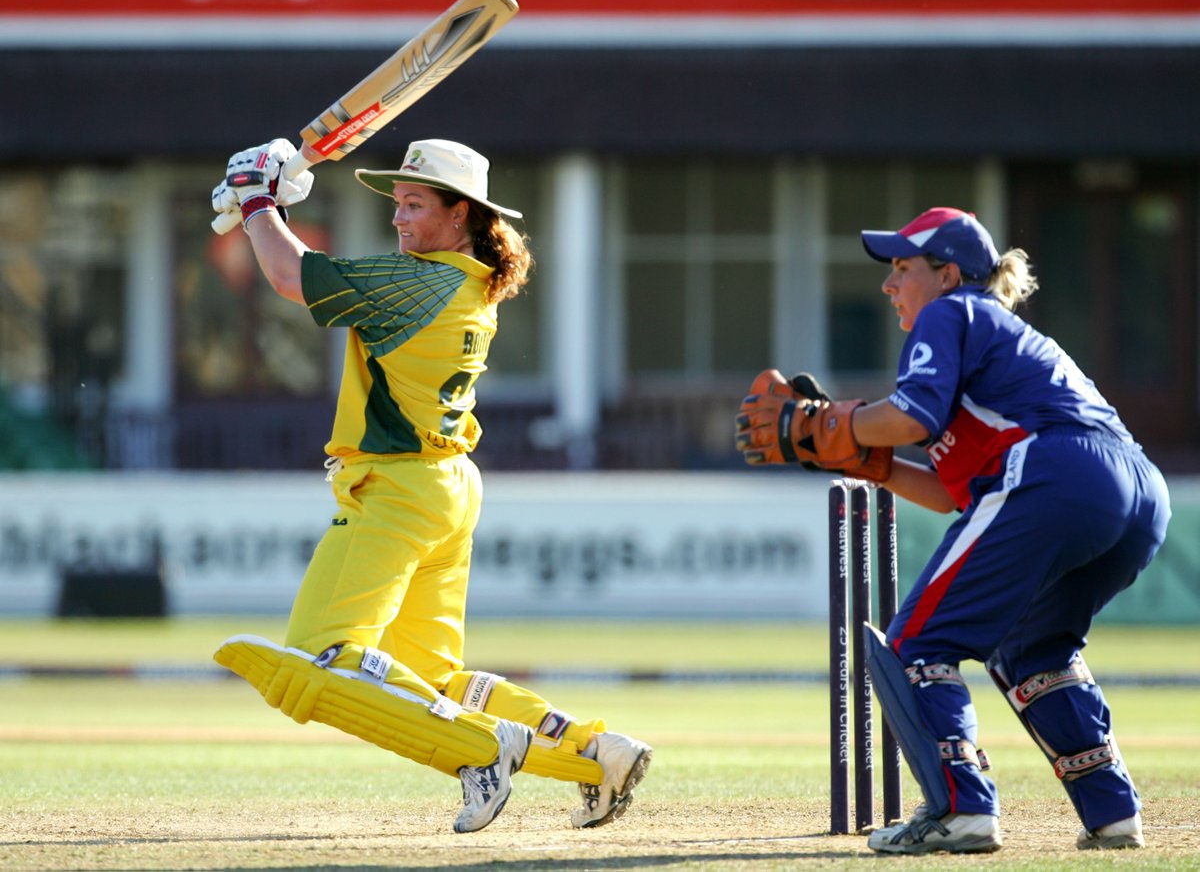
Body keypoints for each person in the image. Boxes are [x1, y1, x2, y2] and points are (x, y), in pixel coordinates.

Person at [208, 137, 651, 834]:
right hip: (446, 487)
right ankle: (596, 755)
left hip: (397, 488)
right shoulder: (470, 280)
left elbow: (291, 278)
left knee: (320, 659)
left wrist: (258, 199)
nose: (400, 218)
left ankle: (481, 748)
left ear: (461, 216)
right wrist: (264, 208)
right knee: (431, 677)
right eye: (398, 204)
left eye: (416, 204)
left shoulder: (420, 281)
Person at [735, 207, 1170, 854]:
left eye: (902, 269)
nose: (889, 286)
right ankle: (1112, 813)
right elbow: (948, 493)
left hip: (1054, 470)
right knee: (1033, 648)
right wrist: (868, 462)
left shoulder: (952, 311)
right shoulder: (994, 338)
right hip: (1136, 490)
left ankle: (961, 808)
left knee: (916, 640)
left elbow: (912, 414)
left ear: (946, 274)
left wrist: (824, 424)